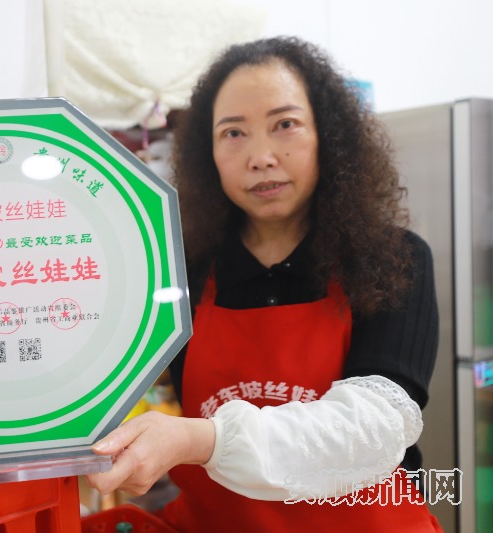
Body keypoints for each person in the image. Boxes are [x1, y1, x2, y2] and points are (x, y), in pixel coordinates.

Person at [86, 36, 442, 532]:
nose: (261, 157)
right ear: (208, 152)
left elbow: (373, 428)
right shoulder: (181, 270)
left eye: (285, 124)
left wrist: (200, 440)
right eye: (234, 133)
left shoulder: (392, 259)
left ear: (327, 135)